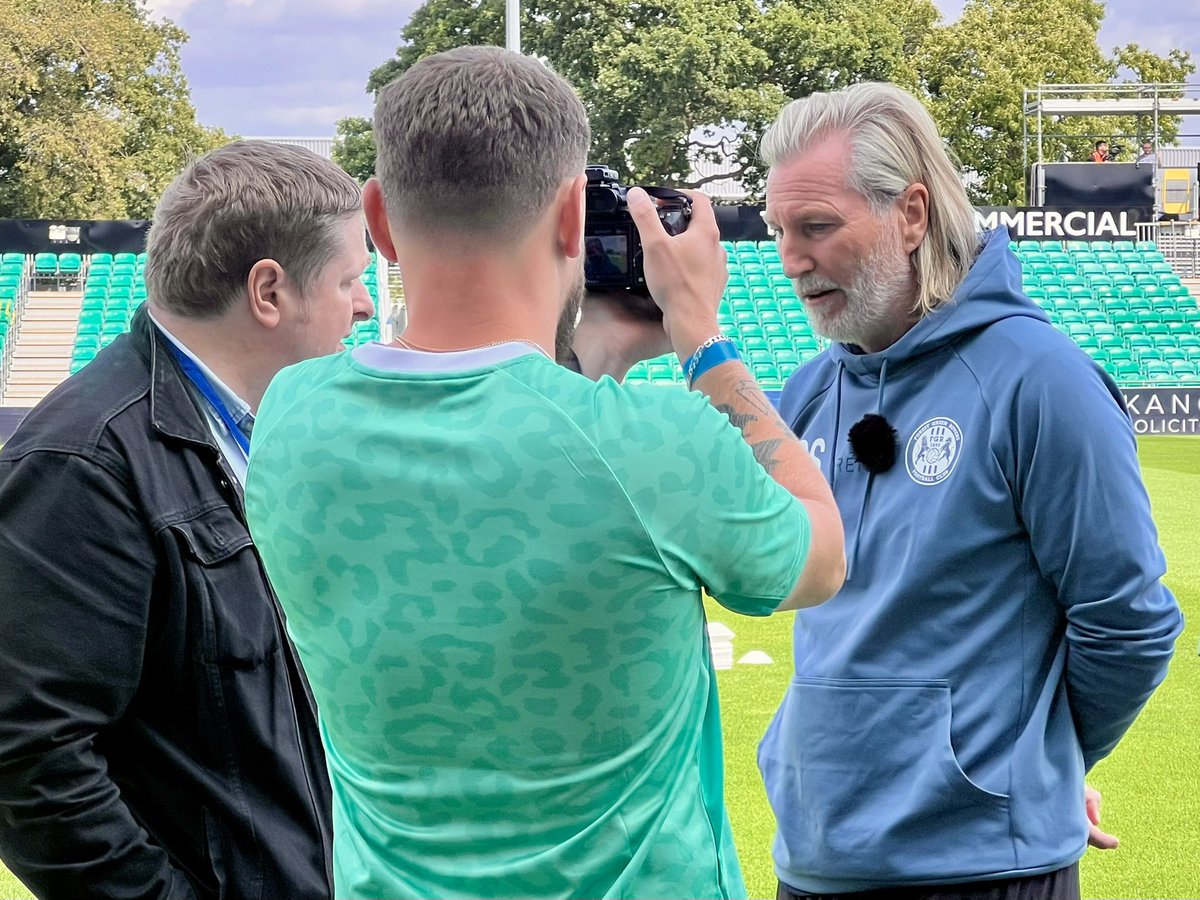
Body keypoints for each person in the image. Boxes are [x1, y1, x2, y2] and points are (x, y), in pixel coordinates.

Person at [243, 45, 846, 900]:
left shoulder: (290, 419)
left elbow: (512, 434)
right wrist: (701, 340)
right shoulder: (653, 440)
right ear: (571, 219)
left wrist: (597, 346)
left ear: (376, 218)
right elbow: (820, 557)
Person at [758, 82, 1183, 900]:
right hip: (814, 862)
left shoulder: (1039, 379)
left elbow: (1127, 622)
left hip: (983, 871)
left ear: (910, 214)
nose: (791, 259)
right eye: (780, 231)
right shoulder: (808, 391)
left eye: (816, 227)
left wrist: (1039, 761)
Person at [0, 140, 376, 899]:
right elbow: (26, 752)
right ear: (269, 292)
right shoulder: (87, 463)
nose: (365, 305)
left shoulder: (244, 434)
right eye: (348, 281)